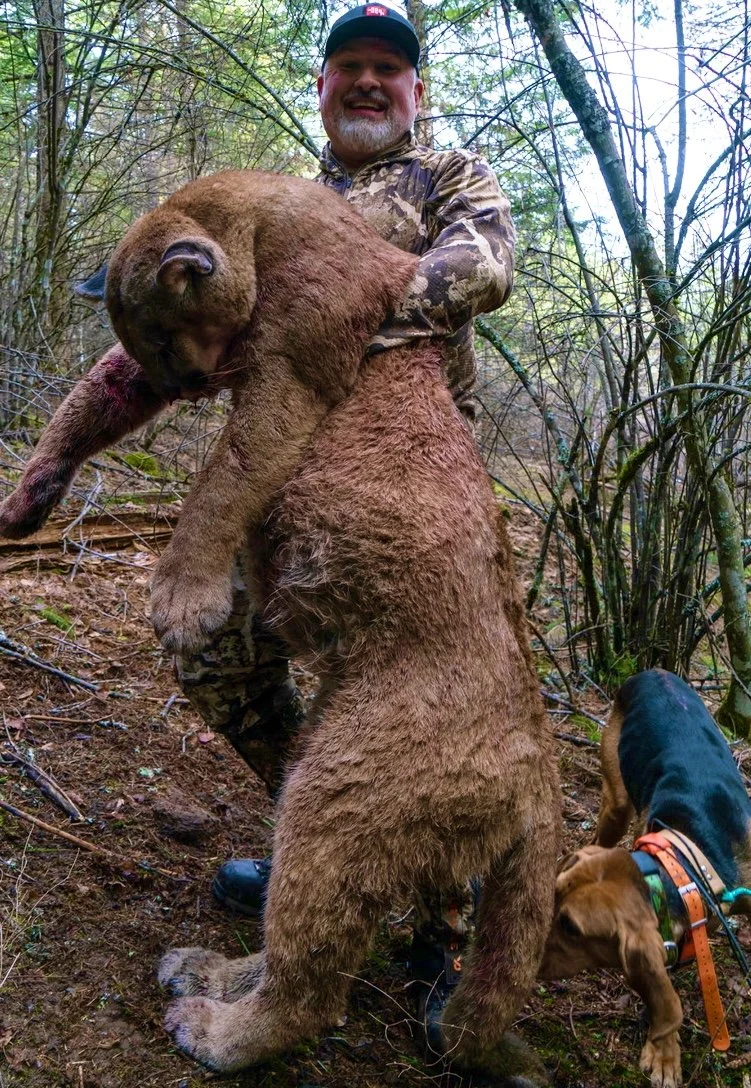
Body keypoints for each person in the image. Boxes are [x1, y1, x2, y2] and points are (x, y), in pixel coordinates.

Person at [176, 1, 515, 1034]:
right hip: (287, 485)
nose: (368, 82)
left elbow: (483, 268)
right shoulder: (279, 199)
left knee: (426, 695)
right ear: (320, 87)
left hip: (414, 491)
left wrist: (342, 319)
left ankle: (439, 923)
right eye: (348, 67)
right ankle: (325, 840)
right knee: (212, 649)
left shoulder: (450, 174)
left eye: (388, 69)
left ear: (416, 90)